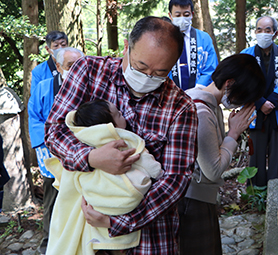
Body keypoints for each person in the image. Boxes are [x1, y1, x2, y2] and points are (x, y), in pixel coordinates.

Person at [45, 16, 198, 255]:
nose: (148, 77)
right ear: (127, 47)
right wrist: (91, 158)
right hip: (86, 231)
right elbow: (55, 131)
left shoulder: (181, 107)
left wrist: (117, 222)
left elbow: (175, 179)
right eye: (141, 66)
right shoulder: (89, 71)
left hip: (150, 238)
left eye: (160, 72)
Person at [46, 99, 162, 255]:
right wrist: (159, 172)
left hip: (94, 208)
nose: (124, 116)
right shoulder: (124, 140)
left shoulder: (83, 139)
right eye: (118, 114)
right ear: (109, 126)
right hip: (119, 201)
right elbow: (148, 164)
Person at [178, 54, 266, 255]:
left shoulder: (201, 99)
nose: (242, 104)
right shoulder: (201, 112)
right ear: (230, 84)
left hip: (195, 197)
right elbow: (214, 171)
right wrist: (233, 133)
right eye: (245, 97)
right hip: (192, 201)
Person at [28, 47, 84, 254]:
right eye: (70, 66)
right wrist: (42, 148)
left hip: (83, 152)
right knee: (52, 198)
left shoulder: (90, 85)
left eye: (79, 65)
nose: (76, 70)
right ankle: (48, 243)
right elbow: (34, 118)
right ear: (58, 67)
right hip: (51, 151)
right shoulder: (44, 87)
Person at [241, 16, 278, 187]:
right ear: (255, 32)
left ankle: (275, 190)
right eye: (259, 30)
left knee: (277, 154)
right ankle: (256, 192)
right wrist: (260, 103)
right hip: (254, 110)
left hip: (277, 111)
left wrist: (270, 103)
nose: (263, 33)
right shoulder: (246, 55)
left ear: (275, 33)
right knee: (256, 154)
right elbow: (242, 81)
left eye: (267, 30)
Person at [168, 0, 218, 90]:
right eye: (177, 15)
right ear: (170, 15)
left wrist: (197, 90)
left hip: (200, 93)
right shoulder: (164, 39)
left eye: (186, 15)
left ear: (192, 14)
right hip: (170, 94)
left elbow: (211, 68)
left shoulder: (204, 38)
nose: (182, 18)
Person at [30, 31, 68, 97]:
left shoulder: (76, 66)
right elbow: (35, 99)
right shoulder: (39, 71)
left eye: (63, 45)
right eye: (56, 46)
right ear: (48, 49)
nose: (60, 48)